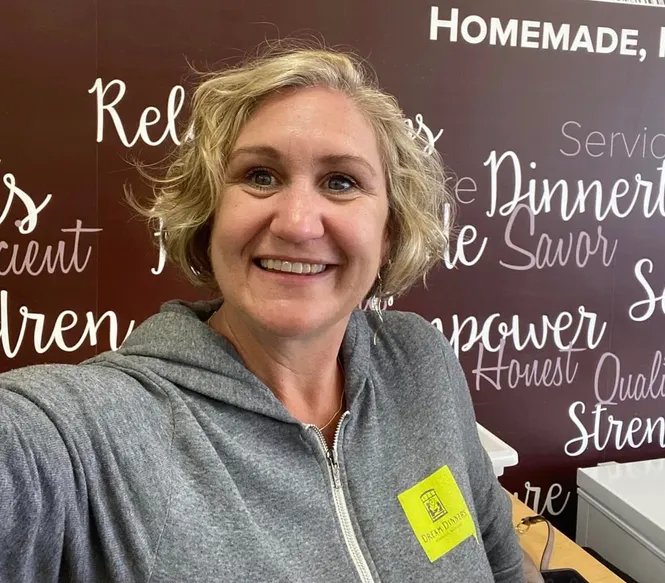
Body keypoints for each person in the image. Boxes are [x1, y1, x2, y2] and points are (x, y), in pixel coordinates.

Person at [0, 40, 541, 582]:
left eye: (341, 182)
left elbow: (501, 560)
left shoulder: (420, 362)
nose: (298, 224)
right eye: (260, 175)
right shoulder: (93, 432)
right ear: (208, 215)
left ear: (389, 231)